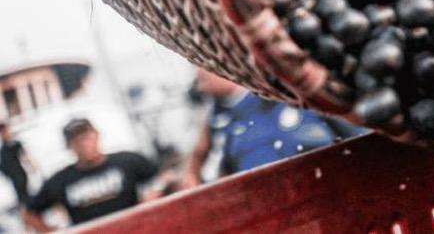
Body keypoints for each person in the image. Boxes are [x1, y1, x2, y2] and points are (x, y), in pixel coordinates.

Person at [181, 69, 365, 189]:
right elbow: (208, 163)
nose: (199, 77)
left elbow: (354, 133)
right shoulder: (217, 119)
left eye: (205, 72)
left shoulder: (283, 90)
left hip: (326, 186)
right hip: (267, 203)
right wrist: (192, 176)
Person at [25, 119, 158, 230]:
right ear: (69, 146)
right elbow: (29, 214)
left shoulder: (127, 161)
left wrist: (151, 198)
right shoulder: (60, 180)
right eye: (76, 139)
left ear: (97, 135)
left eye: (86, 136)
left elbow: (160, 178)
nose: (83, 143)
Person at [1, 122, 35, 214]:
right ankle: (27, 218)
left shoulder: (16, 144)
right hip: (14, 177)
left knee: (27, 197)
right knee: (22, 199)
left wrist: (32, 165)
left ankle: (31, 216)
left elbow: (25, 156)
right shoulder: (3, 150)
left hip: (21, 173)